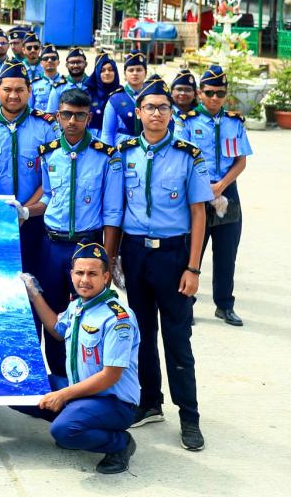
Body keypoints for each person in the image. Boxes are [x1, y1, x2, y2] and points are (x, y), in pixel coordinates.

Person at [114, 75, 211, 451]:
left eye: (163, 108)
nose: (156, 113)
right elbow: (117, 209)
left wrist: (193, 268)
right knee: (141, 333)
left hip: (173, 255)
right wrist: (114, 256)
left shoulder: (189, 155)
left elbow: (199, 213)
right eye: (150, 107)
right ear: (138, 112)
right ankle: (150, 402)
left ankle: (189, 416)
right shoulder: (124, 153)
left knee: (177, 337)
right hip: (136, 253)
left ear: (172, 113)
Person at [17, 243, 141, 475]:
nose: (85, 280)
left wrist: (63, 395)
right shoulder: (77, 306)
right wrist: (34, 293)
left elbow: (110, 376)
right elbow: (56, 329)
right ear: (72, 274)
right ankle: (78, 417)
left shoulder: (118, 318)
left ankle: (120, 443)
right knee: (18, 388)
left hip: (113, 402)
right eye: (79, 273)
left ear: (106, 277)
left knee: (63, 431)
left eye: (92, 274)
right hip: (80, 392)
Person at [36, 88, 124, 377]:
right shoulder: (48, 153)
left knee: (89, 315)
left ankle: (83, 380)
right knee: (53, 314)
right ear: (58, 116)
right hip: (52, 246)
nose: (72, 121)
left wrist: (108, 257)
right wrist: (25, 211)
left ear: (89, 117)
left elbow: (113, 212)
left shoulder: (106, 156)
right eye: (66, 115)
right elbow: (48, 195)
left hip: (86, 247)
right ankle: (59, 380)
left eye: (79, 115)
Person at [176, 65, 251, 326]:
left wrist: (220, 186)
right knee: (190, 252)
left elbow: (241, 161)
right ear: (200, 93)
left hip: (226, 192)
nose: (214, 98)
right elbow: (182, 159)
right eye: (209, 93)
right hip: (196, 193)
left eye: (220, 93)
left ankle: (224, 305)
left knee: (226, 252)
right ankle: (186, 304)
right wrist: (204, 187)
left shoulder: (234, 122)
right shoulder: (186, 122)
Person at [0, 62, 57, 277]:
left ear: (29, 91)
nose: (13, 96)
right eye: (7, 89)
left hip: (34, 220)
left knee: (35, 281)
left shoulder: (45, 126)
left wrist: (24, 211)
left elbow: (52, 180)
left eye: (19, 90)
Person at [101, 52, 148, 144]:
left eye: (139, 70)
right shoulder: (115, 98)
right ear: (125, 74)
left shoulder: (152, 97)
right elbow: (107, 133)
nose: (135, 73)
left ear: (145, 73)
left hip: (147, 145)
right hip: (122, 147)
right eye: (131, 70)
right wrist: (108, 152)